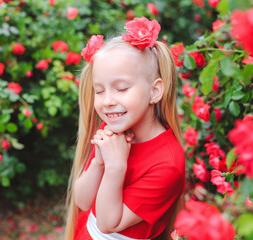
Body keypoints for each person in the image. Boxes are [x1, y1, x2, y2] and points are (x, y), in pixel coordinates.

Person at [64, 17, 185, 240]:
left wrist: (115, 166)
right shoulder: (113, 129)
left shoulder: (168, 164)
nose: (107, 101)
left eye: (121, 88)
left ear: (155, 91)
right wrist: (99, 162)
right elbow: (82, 201)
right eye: (99, 91)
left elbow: (108, 223)